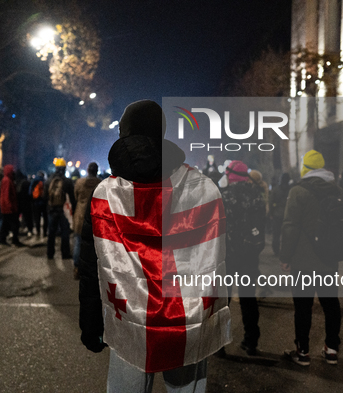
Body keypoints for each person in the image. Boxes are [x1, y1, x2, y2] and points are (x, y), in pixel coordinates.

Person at [79, 100, 230, 392]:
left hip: (128, 317)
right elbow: (218, 258)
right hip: (188, 316)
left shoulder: (105, 195)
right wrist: (213, 317)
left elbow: (91, 264)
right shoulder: (203, 188)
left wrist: (91, 323)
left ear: (124, 133)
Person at [280, 150, 343, 366]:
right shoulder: (338, 191)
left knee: (303, 307)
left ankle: (303, 352)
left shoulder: (298, 191)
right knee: (331, 305)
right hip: (328, 259)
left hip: (303, 261)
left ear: (305, 168)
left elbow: (290, 227)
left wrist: (285, 256)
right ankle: (332, 349)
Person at [221, 161, 267, 356]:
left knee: (224, 301)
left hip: (227, 256)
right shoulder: (256, 195)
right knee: (248, 298)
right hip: (249, 256)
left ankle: (219, 343)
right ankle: (251, 341)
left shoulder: (224, 196)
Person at [72, 162, 101, 280]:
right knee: (94, 244)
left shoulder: (79, 182)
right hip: (95, 215)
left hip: (80, 214)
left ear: (88, 170)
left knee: (78, 242)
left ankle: (77, 268)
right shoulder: (100, 183)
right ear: (97, 171)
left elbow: (75, 196)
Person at [44, 158, 76, 261]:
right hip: (64, 211)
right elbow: (72, 198)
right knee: (65, 232)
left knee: (51, 233)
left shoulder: (48, 180)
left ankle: (50, 253)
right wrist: (73, 212)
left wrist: (47, 209)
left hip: (52, 210)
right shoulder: (67, 181)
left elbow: (45, 197)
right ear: (64, 168)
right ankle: (65, 253)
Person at [0, 164, 24, 247]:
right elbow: (6, 195)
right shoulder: (7, 180)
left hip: (6, 207)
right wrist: (9, 206)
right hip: (9, 207)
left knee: (6, 224)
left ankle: (3, 240)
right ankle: (14, 240)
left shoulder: (6, 179)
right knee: (14, 224)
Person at [269, 173, 291, 256]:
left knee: (276, 234)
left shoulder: (276, 189)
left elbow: (271, 202)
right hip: (288, 214)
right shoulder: (291, 189)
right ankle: (286, 250)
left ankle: (276, 250)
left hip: (277, 214)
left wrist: (271, 213)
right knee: (287, 234)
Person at [30, 170, 48, 238]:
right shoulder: (45, 182)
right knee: (45, 218)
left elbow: (30, 192)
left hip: (36, 203)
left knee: (37, 218)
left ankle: (38, 232)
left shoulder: (34, 182)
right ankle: (44, 232)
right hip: (44, 203)